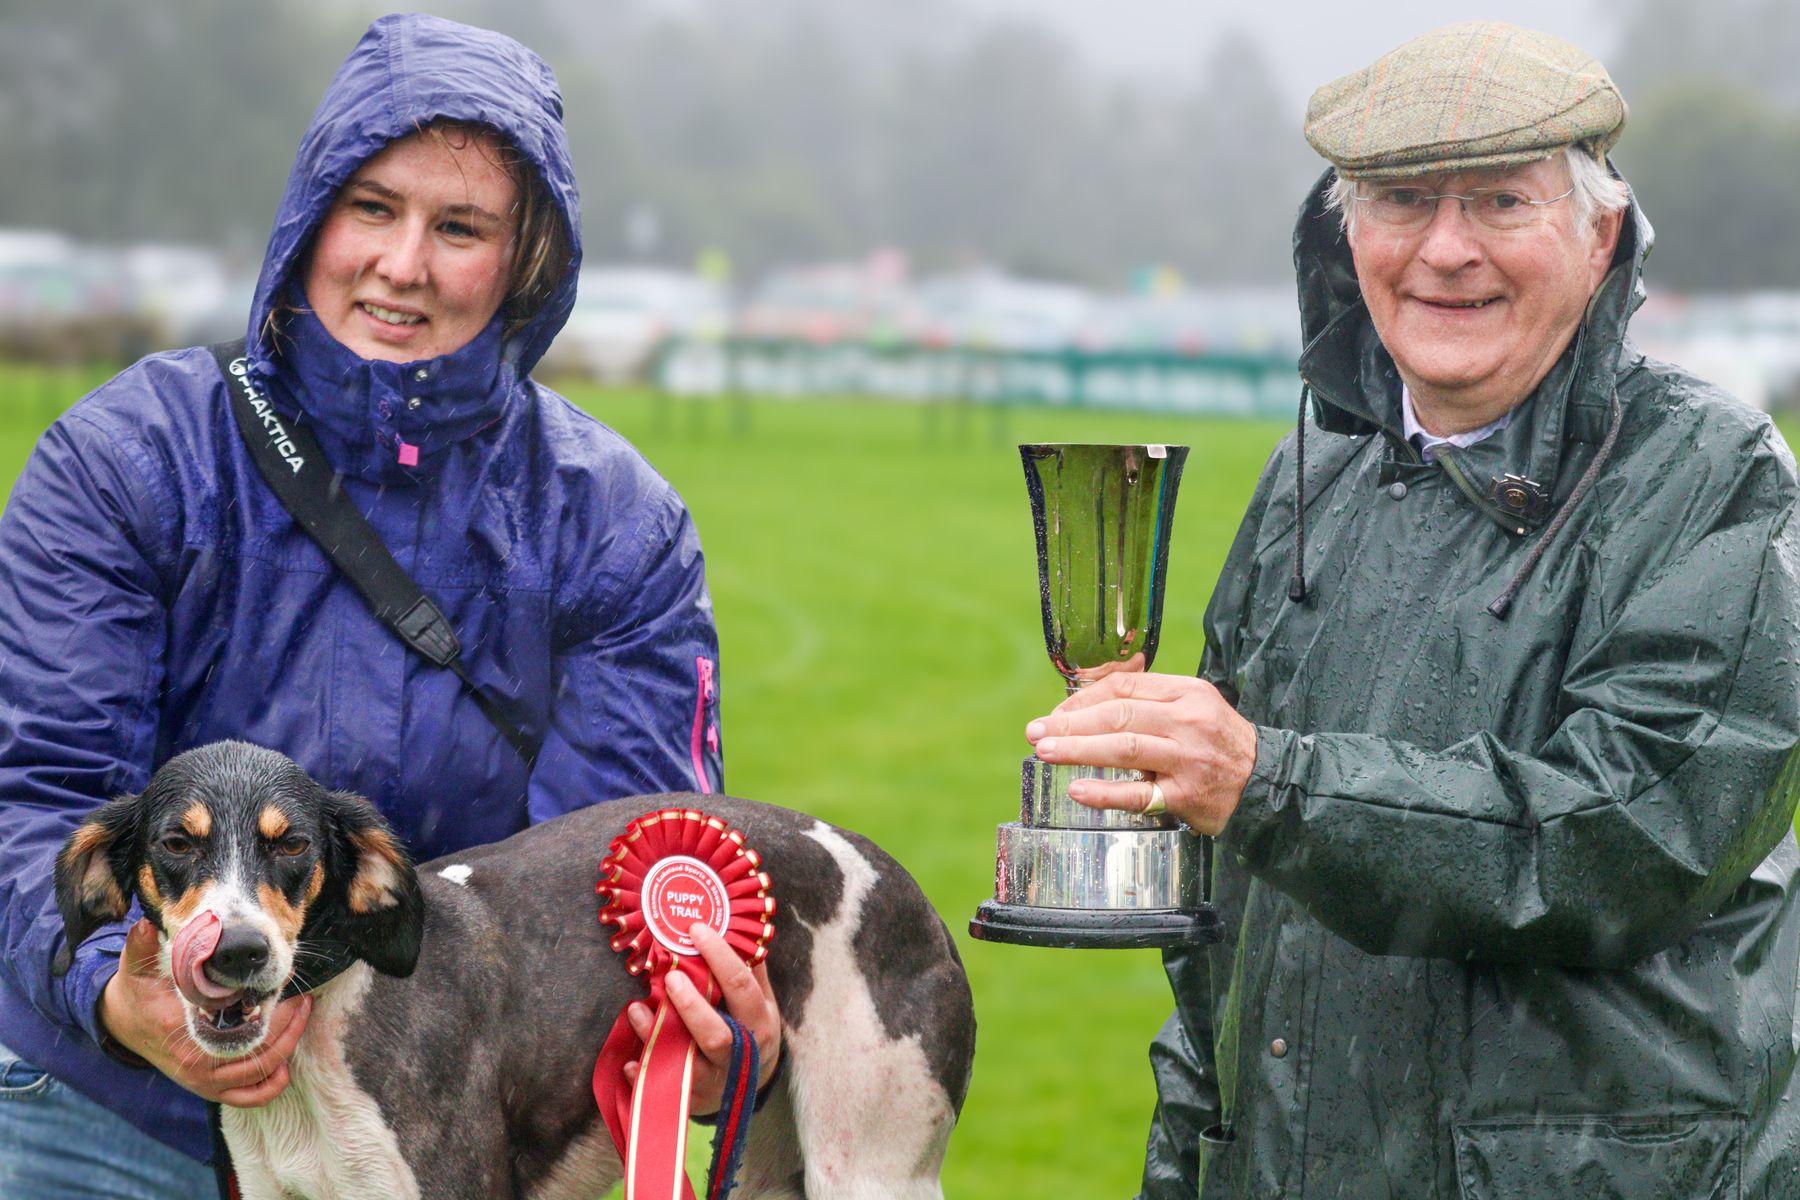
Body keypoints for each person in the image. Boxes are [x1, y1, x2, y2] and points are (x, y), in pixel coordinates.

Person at [0, 15, 777, 1198]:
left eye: (459, 227)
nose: (402, 263)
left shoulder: (616, 522)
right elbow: (35, 791)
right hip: (109, 1122)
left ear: (526, 263)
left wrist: (679, 1034)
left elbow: (603, 884)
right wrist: (119, 986)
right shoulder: (125, 458)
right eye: (371, 207)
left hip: (417, 1137)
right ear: (310, 216)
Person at [1024, 22, 1800, 1198]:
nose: (1445, 250)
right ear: (1345, 235)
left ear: (1600, 238)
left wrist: (1266, 781)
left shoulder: (1711, 473)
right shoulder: (1308, 487)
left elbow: (1623, 837)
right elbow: (1226, 948)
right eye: (1400, 200)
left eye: (1498, 201)